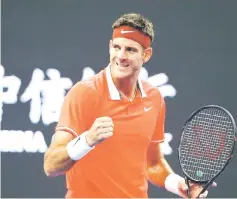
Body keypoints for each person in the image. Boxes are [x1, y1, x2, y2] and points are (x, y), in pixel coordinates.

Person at [44, 13, 215, 198]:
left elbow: (153, 164)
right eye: (116, 47)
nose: (121, 56)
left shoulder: (154, 98)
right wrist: (87, 140)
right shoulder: (84, 93)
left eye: (130, 50)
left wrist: (178, 185)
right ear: (110, 46)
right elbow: (51, 166)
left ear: (146, 54)